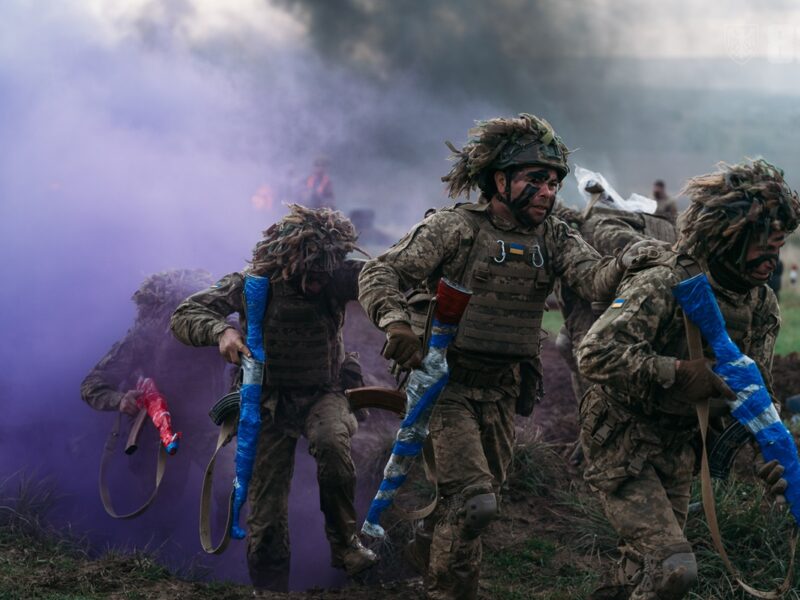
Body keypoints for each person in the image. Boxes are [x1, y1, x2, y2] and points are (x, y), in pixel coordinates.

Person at [358, 113, 643, 600]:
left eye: (554, 183)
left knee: (477, 502)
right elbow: (379, 273)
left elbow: (593, 278)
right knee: (474, 502)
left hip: (503, 388)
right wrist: (397, 323)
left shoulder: (553, 236)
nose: (548, 192)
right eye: (536, 180)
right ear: (500, 180)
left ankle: (427, 543)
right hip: (444, 386)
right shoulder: (456, 229)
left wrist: (633, 260)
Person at [577, 159, 799, 600]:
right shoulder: (665, 281)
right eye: (763, 246)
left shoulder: (761, 304)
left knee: (649, 568)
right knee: (675, 568)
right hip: (624, 440)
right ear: (727, 237)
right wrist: (676, 372)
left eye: (780, 246)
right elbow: (594, 353)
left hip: (680, 447)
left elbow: (754, 391)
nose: (772, 260)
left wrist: (769, 459)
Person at [170, 205, 376, 592]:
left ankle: (345, 544)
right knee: (264, 518)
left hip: (324, 393)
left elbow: (382, 282)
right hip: (267, 404)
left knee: (333, 446)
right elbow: (186, 312)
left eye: (324, 274)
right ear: (288, 262)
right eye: (309, 274)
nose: (317, 282)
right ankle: (269, 586)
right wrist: (220, 332)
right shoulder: (252, 284)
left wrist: (398, 318)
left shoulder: (336, 276)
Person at [80, 269, 230, 508]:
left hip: (205, 424)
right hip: (156, 430)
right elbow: (93, 384)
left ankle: (228, 537)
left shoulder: (218, 332)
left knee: (233, 484)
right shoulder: (143, 338)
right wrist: (120, 400)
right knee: (161, 503)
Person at [553, 183, 677, 465]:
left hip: (619, 312)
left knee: (596, 364)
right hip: (612, 305)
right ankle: (592, 433)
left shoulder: (598, 229)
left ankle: (604, 444)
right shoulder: (593, 225)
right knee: (569, 346)